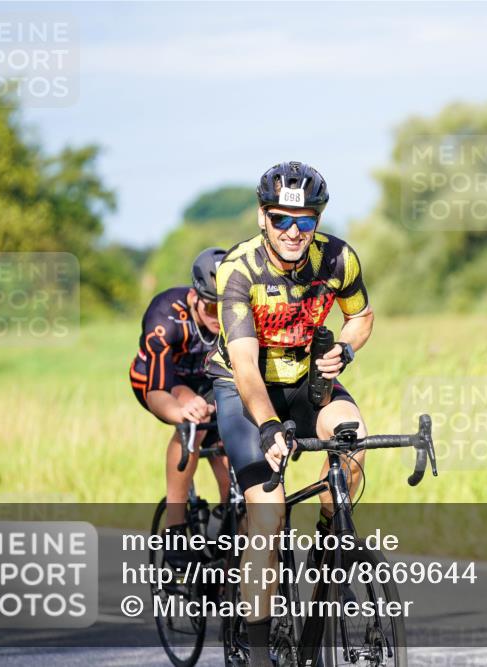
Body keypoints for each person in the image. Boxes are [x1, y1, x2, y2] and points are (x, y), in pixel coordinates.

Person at [209, 161, 373, 667]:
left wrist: (344, 350)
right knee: (269, 511)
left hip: (306, 380)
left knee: (353, 441)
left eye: (306, 220)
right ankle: (259, 655)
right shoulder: (238, 270)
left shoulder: (338, 259)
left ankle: (332, 539)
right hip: (244, 388)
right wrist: (267, 426)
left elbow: (361, 316)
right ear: (263, 217)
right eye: (282, 219)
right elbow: (243, 365)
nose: (294, 231)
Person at [129, 248, 232, 566]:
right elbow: (158, 390)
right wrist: (180, 414)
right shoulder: (167, 315)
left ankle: (227, 524)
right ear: (194, 295)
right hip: (161, 379)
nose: (218, 315)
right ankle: (175, 527)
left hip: (210, 381)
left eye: (225, 307)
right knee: (195, 421)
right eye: (211, 306)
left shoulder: (237, 314)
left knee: (233, 449)